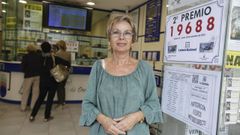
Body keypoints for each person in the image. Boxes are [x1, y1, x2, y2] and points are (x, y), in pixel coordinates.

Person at [80, 14, 163, 135]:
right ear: (109, 38)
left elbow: (153, 103)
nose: (121, 37)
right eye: (116, 32)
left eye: (127, 33)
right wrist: (103, 120)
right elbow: (87, 103)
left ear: (133, 39)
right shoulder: (98, 67)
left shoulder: (145, 69)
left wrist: (136, 117)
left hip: (136, 131)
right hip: (103, 131)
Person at [29, 42, 70, 122]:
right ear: (50, 49)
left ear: (42, 49)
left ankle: (32, 115)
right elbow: (67, 63)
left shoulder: (39, 57)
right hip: (52, 82)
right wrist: (62, 69)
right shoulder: (54, 58)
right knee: (50, 99)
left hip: (43, 82)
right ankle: (46, 117)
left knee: (40, 98)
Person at [20, 44, 41, 111]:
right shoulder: (39, 56)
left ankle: (23, 107)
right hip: (37, 75)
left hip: (28, 75)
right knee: (36, 92)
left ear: (27, 49)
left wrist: (25, 71)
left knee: (26, 91)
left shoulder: (26, 56)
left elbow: (23, 67)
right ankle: (33, 107)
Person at [55, 40, 71, 109]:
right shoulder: (68, 53)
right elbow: (69, 64)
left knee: (59, 88)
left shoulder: (57, 53)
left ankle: (60, 103)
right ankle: (63, 102)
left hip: (59, 72)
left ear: (59, 45)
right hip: (66, 73)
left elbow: (56, 63)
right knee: (62, 87)